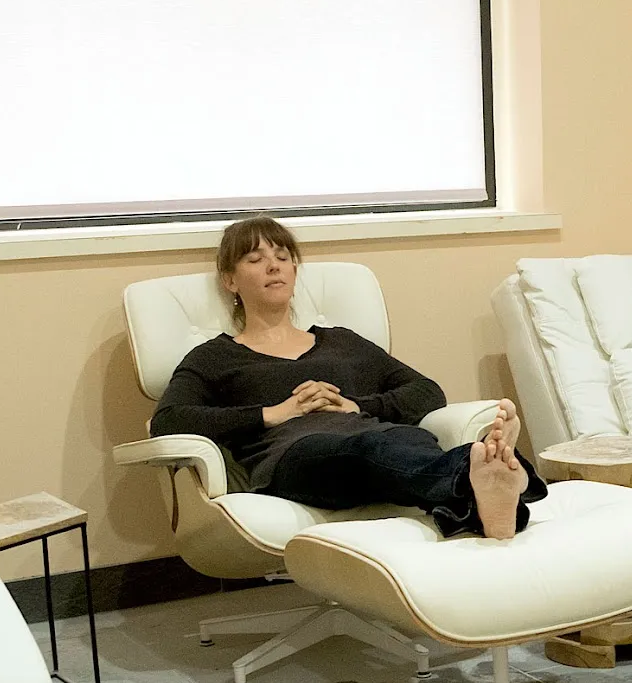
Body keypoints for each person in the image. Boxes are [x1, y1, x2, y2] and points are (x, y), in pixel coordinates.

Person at [152, 216, 544, 538]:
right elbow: (168, 420)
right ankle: (491, 470)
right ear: (230, 281)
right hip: (297, 457)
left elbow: (426, 391)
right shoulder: (215, 357)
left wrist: (357, 405)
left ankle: (488, 493)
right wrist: (273, 413)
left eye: (283, 257)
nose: (274, 266)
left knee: (402, 442)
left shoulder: (342, 342)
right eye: (255, 259)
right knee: (366, 449)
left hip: (380, 437)